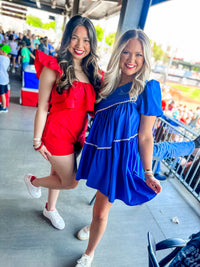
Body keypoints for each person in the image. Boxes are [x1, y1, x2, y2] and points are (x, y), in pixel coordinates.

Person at [75, 29, 163, 267]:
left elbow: (146, 136)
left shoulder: (148, 88)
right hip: (99, 152)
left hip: (120, 159)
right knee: (101, 205)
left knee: (101, 211)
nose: (131, 60)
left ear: (145, 59)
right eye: (126, 52)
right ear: (118, 53)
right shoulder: (106, 82)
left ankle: (89, 253)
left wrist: (148, 172)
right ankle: (93, 225)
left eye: (138, 55)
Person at [24, 15, 102, 230]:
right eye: (75, 38)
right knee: (70, 181)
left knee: (57, 174)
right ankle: (33, 181)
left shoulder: (92, 72)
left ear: (92, 44)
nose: (80, 45)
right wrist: (37, 140)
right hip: (57, 134)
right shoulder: (53, 67)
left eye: (86, 40)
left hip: (77, 135)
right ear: (67, 38)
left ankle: (50, 208)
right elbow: (42, 107)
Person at [0, 44, 11, 113]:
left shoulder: (1, 58)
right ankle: (3, 105)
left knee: (2, 93)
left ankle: (4, 107)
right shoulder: (7, 59)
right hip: (5, 79)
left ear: (3, 51)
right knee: (2, 93)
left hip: (1, 79)